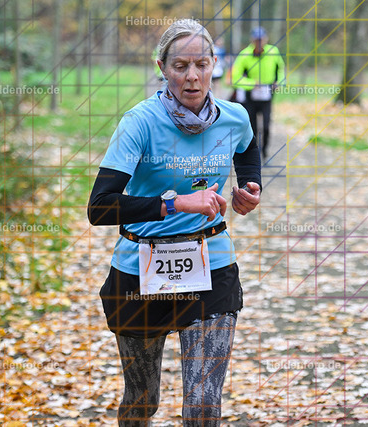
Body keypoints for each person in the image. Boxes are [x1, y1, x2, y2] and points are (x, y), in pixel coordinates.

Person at [87, 18, 261, 426]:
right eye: (180, 66)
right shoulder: (139, 122)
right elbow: (100, 207)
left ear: (215, 64)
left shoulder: (234, 117)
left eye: (202, 64)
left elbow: (247, 147)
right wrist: (175, 203)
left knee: (203, 406)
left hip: (211, 264)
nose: (192, 76)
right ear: (162, 68)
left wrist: (250, 186)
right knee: (142, 400)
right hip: (141, 271)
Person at [230, 26, 285, 159]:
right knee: (252, 127)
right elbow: (235, 79)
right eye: (256, 40)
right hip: (250, 96)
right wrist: (251, 83)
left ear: (266, 39)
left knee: (266, 126)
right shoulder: (244, 54)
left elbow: (281, 69)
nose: (259, 43)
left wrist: (279, 82)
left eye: (261, 39)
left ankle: (265, 151)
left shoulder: (273, 51)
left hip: (267, 95)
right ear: (252, 40)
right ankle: (254, 153)